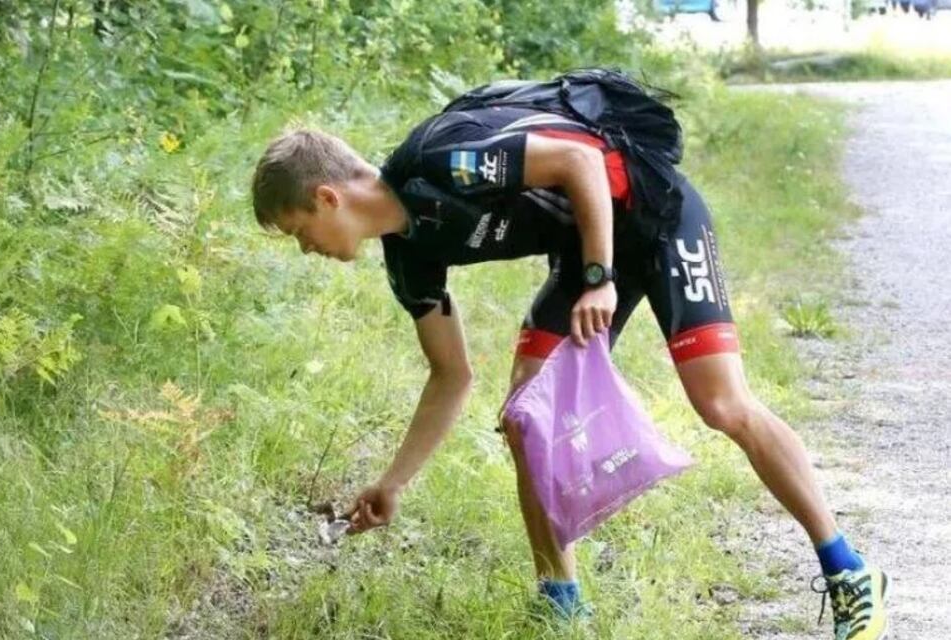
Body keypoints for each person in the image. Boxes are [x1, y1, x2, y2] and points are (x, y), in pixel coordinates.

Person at [250, 96, 889, 638]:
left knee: (720, 404)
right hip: (587, 251)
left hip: (655, 217)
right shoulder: (408, 260)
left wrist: (598, 278)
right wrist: (393, 483)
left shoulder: (444, 159)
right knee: (527, 415)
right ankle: (562, 604)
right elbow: (451, 374)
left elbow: (581, 157)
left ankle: (848, 571)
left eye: (296, 230)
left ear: (326, 197)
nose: (305, 248)